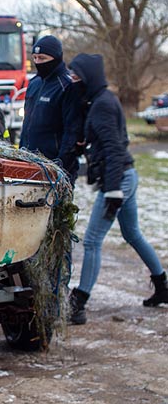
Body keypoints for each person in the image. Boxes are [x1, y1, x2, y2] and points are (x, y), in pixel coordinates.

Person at [67, 53, 167, 324]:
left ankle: (79, 302)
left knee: (91, 241)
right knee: (132, 233)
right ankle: (162, 286)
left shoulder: (102, 104)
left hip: (119, 180)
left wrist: (112, 191)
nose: (72, 80)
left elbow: (113, 148)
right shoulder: (100, 100)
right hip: (126, 175)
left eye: (76, 76)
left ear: (88, 76)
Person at [19, 35, 85, 184]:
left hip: (55, 166)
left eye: (42, 58)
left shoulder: (67, 86)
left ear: (55, 58)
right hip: (28, 162)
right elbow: (27, 123)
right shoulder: (34, 83)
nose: (37, 62)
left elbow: (72, 130)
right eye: (34, 58)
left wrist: (61, 165)